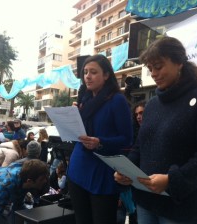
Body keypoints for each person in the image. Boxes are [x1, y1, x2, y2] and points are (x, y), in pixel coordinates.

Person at [114, 36, 197, 224]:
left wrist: (172, 180)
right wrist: (127, 171)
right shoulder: (153, 104)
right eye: (150, 68)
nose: (154, 73)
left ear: (178, 62)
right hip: (146, 203)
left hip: (181, 209)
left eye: (159, 66)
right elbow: (141, 146)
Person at [67, 54, 133, 224]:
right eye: (85, 72)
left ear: (106, 75)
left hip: (101, 173)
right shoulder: (85, 99)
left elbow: (127, 139)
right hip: (77, 169)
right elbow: (78, 136)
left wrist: (100, 142)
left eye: (93, 72)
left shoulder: (117, 100)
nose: (87, 76)